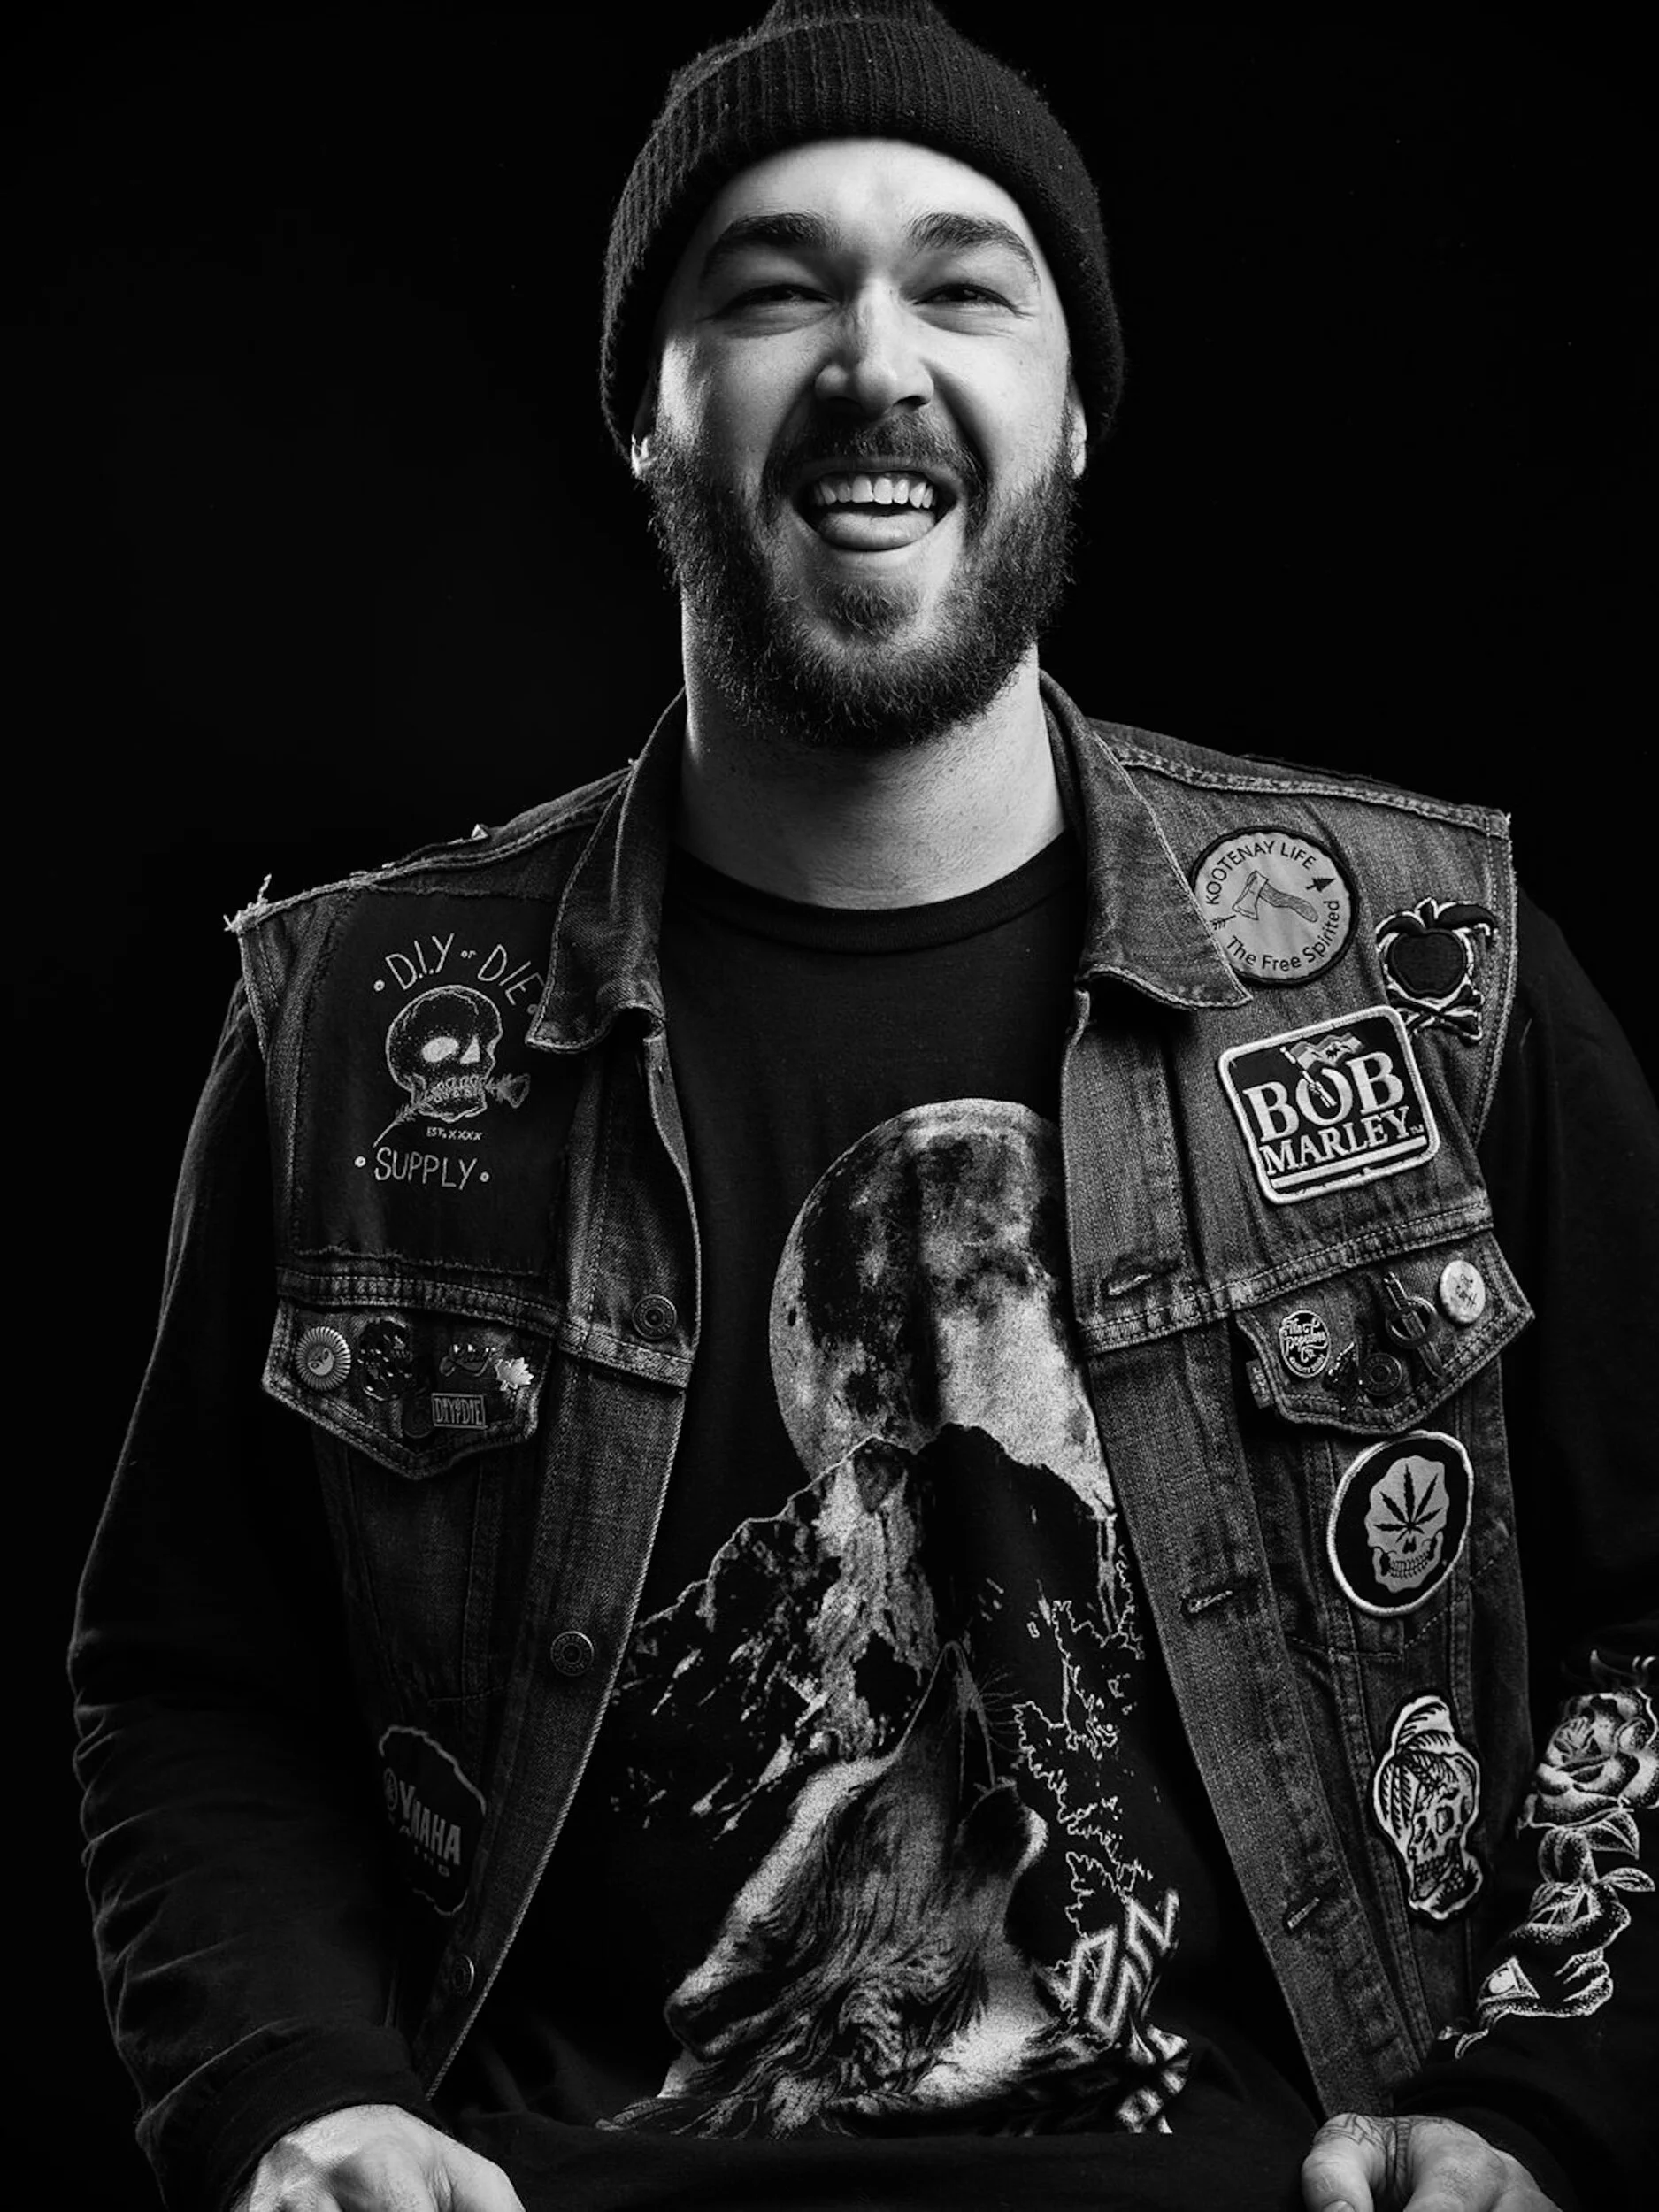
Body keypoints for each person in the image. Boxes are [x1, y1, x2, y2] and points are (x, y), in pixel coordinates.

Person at [71, 3, 1656, 2208]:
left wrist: (1539, 2110)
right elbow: (196, 1678)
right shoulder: (353, 1025)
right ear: (647, 413)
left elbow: (1648, 1615)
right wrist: (298, 2094)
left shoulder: (1423, 974)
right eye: (774, 288)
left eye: (964, 287)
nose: (873, 361)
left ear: (1072, 410)